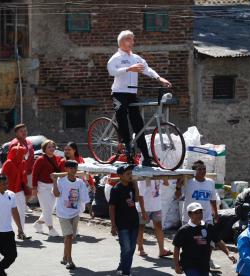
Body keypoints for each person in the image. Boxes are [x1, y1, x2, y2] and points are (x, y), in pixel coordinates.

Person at [107, 30, 171, 166]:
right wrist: (129, 69)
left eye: (133, 39)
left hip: (131, 94)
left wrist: (159, 78)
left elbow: (147, 69)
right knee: (122, 115)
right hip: (119, 92)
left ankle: (146, 157)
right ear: (122, 42)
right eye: (129, 39)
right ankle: (126, 145)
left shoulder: (136, 58)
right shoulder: (116, 58)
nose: (132, 42)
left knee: (138, 123)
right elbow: (111, 71)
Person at [173, 202, 236, 276]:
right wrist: (177, 266)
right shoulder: (184, 230)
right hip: (189, 265)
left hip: (204, 264)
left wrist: (228, 253)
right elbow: (176, 248)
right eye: (196, 212)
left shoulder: (208, 227)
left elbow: (218, 241)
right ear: (189, 214)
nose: (199, 215)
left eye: (200, 212)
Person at [53, 160, 89, 270]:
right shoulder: (61, 181)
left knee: (70, 237)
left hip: (74, 213)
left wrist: (90, 209)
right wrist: (54, 181)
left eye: (75, 168)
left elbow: (84, 198)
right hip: (63, 213)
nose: (73, 170)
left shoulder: (80, 183)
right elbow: (56, 194)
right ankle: (70, 260)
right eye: (71, 168)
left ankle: (64, 257)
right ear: (66, 169)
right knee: (68, 236)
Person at [109, 164, 140, 276]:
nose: (130, 175)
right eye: (128, 174)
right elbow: (112, 207)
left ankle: (122, 266)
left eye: (131, 173)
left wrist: (136, 185)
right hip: (122, 224)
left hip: (134, 222)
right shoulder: (116, 189)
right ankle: (126, 273)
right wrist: (113, 225)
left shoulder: (132, 186)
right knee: (126, 247)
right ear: (120, 175)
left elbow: (136, 199)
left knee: (131, 248)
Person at [32, 140, 63, 236]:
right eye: (49, 147)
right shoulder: (40, 159)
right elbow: (34, 174)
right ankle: (51, 228)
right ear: (44, 149)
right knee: (46, 209)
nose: (51, 149)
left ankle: (38, 223)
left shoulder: (57, 158)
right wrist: (34, 187)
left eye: (53, 146)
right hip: (42, 186)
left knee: (50, 208)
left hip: (53, 186)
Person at [136, 179, 173, 258]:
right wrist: (143, 211)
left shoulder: (157, 175)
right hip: (144, 207)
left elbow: (166, 183)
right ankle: (140, 249)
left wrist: (162, 175)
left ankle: (161, 250)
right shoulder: (144, 177)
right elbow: (140, 195)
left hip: (156, 206)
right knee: (141, 227)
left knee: (159, 227)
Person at [1, 145, 31, 240]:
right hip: (7, 191)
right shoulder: (8, 163)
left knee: (21, 212)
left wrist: (26, 188)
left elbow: (24, 177)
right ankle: (5, 232)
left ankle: (21, 232)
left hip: (19, 191)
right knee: (7, 212)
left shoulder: (23, 163)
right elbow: (2, 178)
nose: (23, 156)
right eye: (22, 153)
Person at [7, 124, 34, 188]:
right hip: (19, 174)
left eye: (25, 131)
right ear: (16, 133)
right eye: (21, 131)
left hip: (29, 172)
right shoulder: (15, 144)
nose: (24, 132)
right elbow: (11, 160)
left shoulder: (28, 142)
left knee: (29, 194)